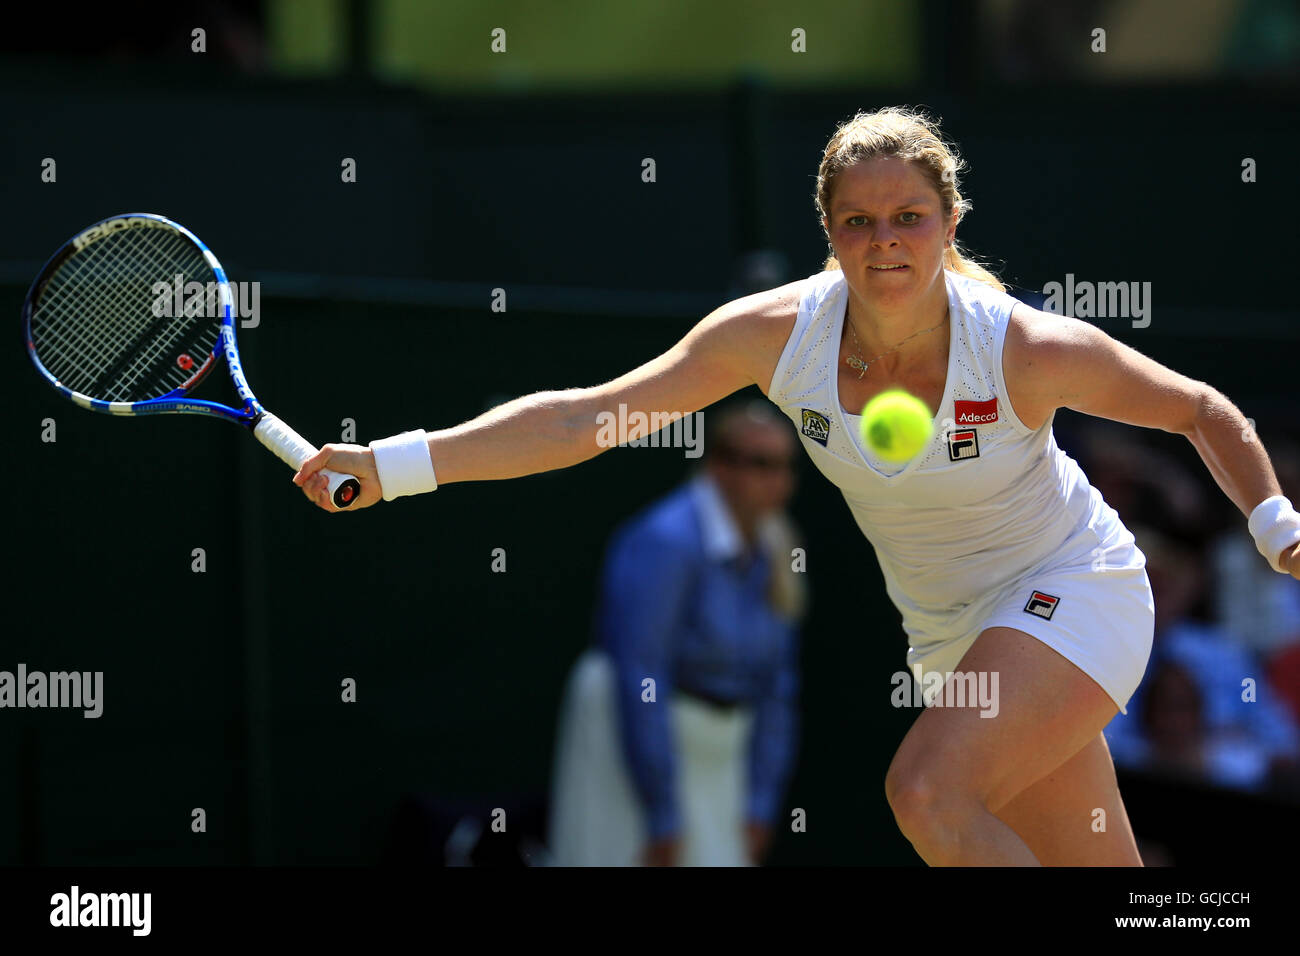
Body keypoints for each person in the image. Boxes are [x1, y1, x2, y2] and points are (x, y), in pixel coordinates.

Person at [292, 106, 1300, 866]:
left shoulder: (1026, 347)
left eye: (908, 216)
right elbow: (584, 416)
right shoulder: (773, 336)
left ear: (948, 222)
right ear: (829, 231)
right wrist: (393, 464)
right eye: (858, 221)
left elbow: (1201, 408)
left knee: (924, 791)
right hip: (951, 633)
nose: (885, 240)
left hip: (1075, 586)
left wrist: (1270, 518)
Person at [547, 400, 805, 866]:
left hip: (718, 753)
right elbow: (641, 675)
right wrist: (662, 813)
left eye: (785, 466)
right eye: (761, 464)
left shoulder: (777, 549)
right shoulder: (666, 539)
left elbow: (777, 688)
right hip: (628, 740)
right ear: (719, 466)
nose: (778, 481)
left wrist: (760, 802)